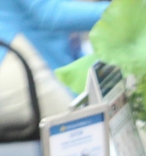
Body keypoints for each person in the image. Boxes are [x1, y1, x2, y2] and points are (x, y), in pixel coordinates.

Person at [0, 0, 109, 128]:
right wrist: (127, 10)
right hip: (15, 66)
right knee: (82, 130)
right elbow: (52, 14)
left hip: (44, 61)